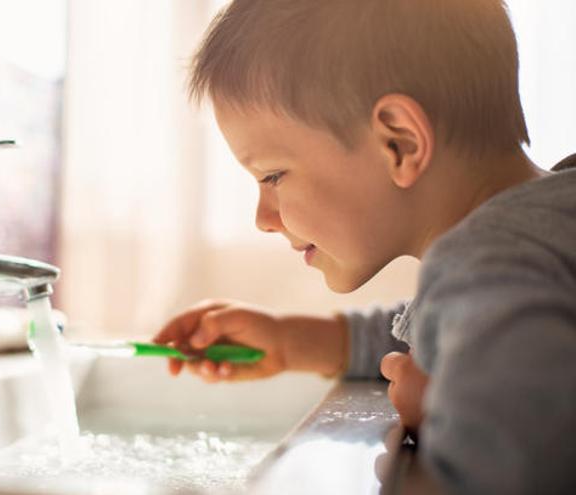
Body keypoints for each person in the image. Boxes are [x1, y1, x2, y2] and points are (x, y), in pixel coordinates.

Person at [152, 1, 576, 493]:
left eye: (273, 176)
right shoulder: (541, 232)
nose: (262, 219)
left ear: (400, 143)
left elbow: (527, 460)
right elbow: (445, 326)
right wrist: (294, 341)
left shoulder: (488, 266)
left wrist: (445, 410)